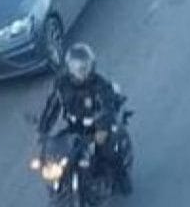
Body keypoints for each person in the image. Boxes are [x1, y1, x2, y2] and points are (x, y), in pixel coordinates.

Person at [38, 43, 133, 196]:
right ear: (69, 68)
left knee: (109, 150)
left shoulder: (100, 85)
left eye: (84, 68)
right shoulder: (63, 85)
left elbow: (108, 106)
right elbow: (52, 106)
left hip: (98, 126)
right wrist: (43, 130)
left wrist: (102, 128)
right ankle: (62, 183)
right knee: (59, 153)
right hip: (75, 127)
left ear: (91, 67)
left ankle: (122, 177)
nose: (80, 73)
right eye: (76, 68)